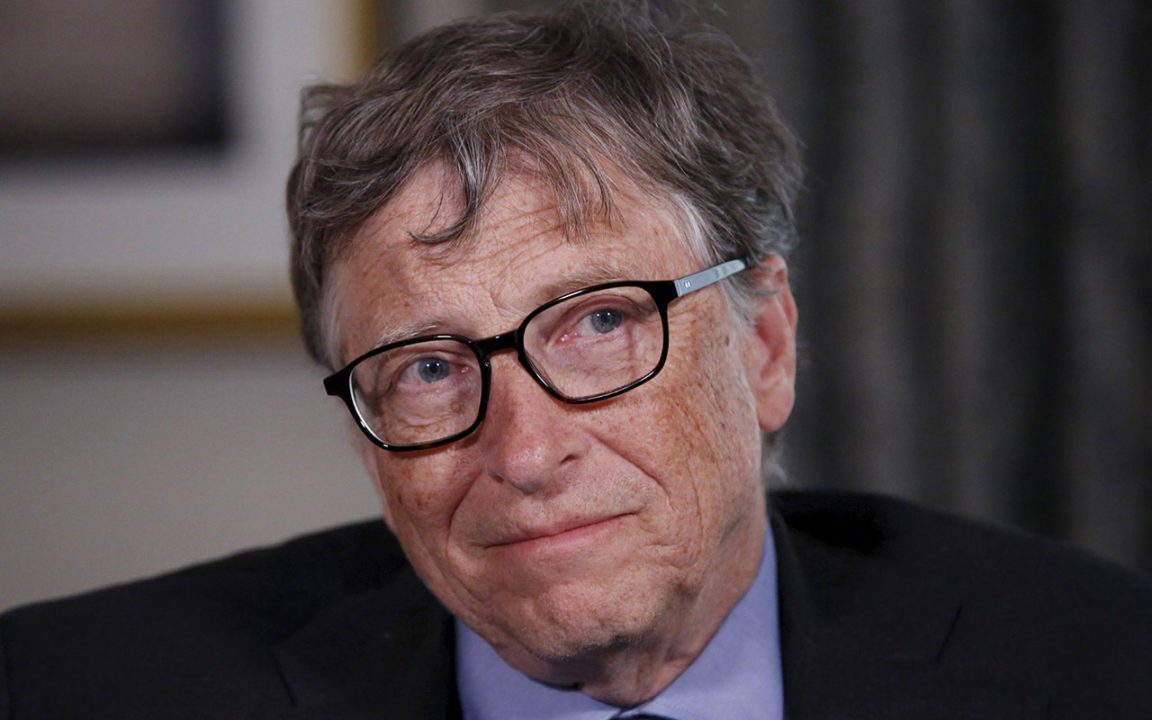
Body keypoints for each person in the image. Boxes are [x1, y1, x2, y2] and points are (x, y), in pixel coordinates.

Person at [2, 2, 1150, 718]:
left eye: (600, 323)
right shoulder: (69, 690)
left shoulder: (1099, 666)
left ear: (763, 346)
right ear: (365, 438)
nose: (525, 451)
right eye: (429, 368)